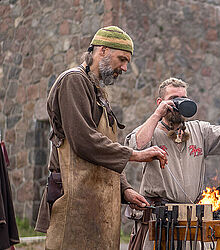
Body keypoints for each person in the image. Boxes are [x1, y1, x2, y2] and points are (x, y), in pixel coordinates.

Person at [34, 26, 168, 249]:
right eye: (122, 59)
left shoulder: (98, 91)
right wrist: (136, 154)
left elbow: (105, 145)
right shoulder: (73, 82)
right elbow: (84, 140)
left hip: (96, 198)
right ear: (103, 51)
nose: (125, 68)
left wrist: (125, 189)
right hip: (75, 197)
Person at [124, 77, 220, 249]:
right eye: (174, 99)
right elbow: (137, 145)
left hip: (190, 221)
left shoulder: (199, 131)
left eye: (183, 99)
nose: (179, 104)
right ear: (160, 102)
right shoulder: (151, 130)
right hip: (158, 222)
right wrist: (158, 113)